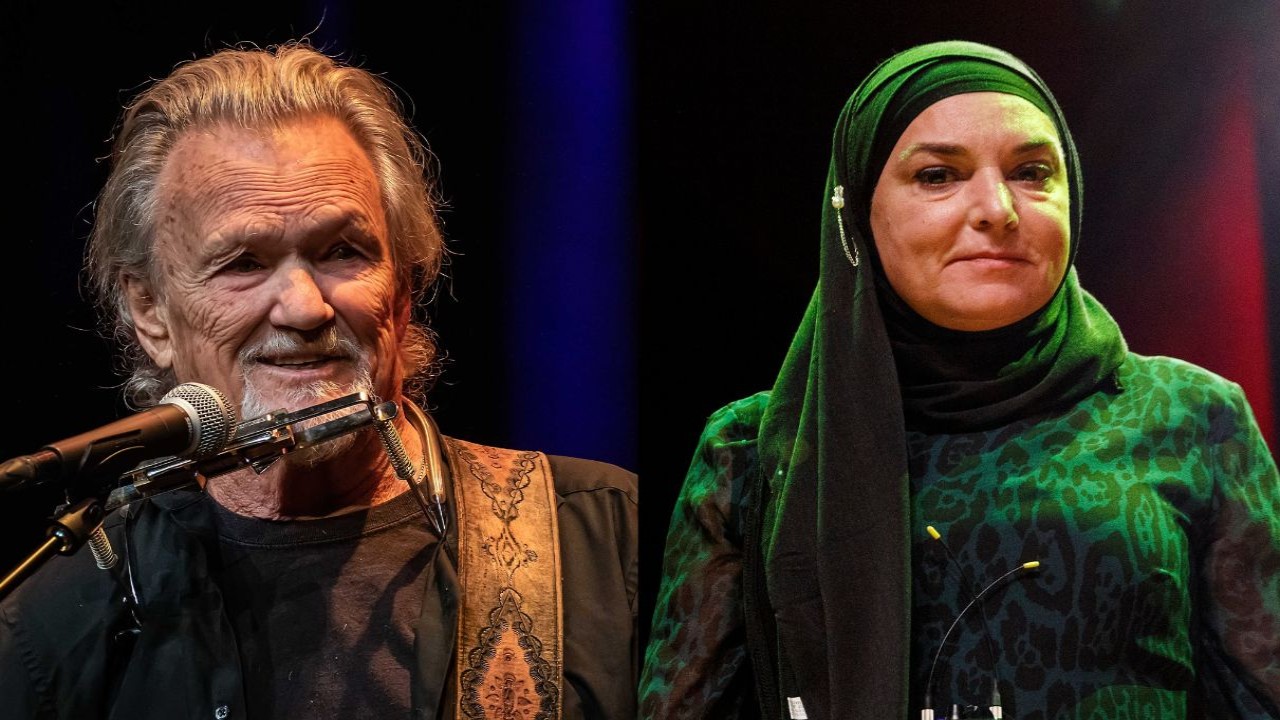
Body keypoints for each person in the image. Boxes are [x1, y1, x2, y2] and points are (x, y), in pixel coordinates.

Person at [640, 40, 1280, 719]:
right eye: (939, 176)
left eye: (1033, 172)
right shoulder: (755, 450)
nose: (997, 209)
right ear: (856, 211)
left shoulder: (1191, 417)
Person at [0, 42, 637, 719]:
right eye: (244, 262)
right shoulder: (54, 624)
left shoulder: (603, 538)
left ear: (405, 286)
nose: (305, 307)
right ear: (150, 312)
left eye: (343, 252)